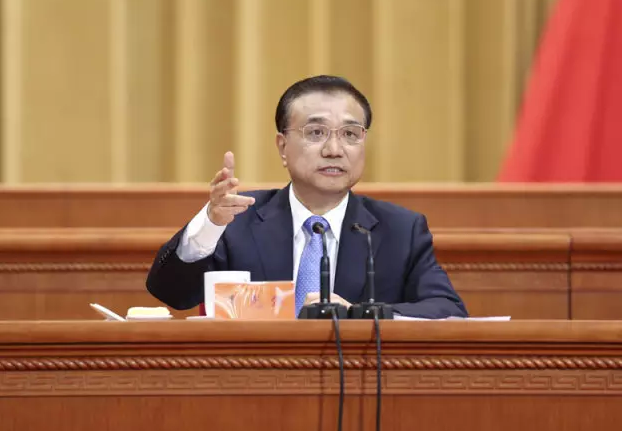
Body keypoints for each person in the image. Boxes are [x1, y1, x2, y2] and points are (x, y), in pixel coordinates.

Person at [146, 75, 467, 318]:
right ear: (282, 147)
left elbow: (448, 310)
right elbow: (171, 293)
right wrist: (210, 224)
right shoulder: (236, 221)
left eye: (350, 134)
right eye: (316, 133)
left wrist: (360, 316)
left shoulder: (400, 230)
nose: (334, 149)